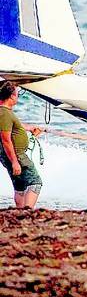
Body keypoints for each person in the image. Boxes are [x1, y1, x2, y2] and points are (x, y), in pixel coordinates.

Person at [0, 81, 44, 209]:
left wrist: (29, 128)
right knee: (35, 183)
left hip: (8, 155)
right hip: (16, 155)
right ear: (12, 96)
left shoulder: (4, 112)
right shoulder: (4, 114)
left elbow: (13, 126)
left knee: (20, 186)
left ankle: (19, 212)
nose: (17, 97)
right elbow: (5, 139)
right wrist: (14, 161)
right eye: (17, 94)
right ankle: (27, 212)